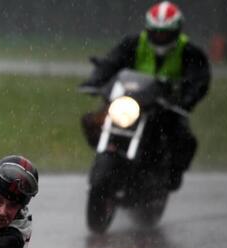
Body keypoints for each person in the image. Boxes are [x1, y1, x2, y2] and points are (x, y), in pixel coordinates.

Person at [79, 1, 210, 191]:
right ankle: (108, 157)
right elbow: (110, 63)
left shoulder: (189, 51)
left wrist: (186, 99)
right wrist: (94, 82)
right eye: (155, 31)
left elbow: (199, 79)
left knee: (183, 139)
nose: (160, 36)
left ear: (176, 31)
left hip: (165, 107)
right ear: (148, 29)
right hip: (130, 102)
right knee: (93, 121)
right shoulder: (133, 43)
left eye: (165, 32)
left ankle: (170, 178)